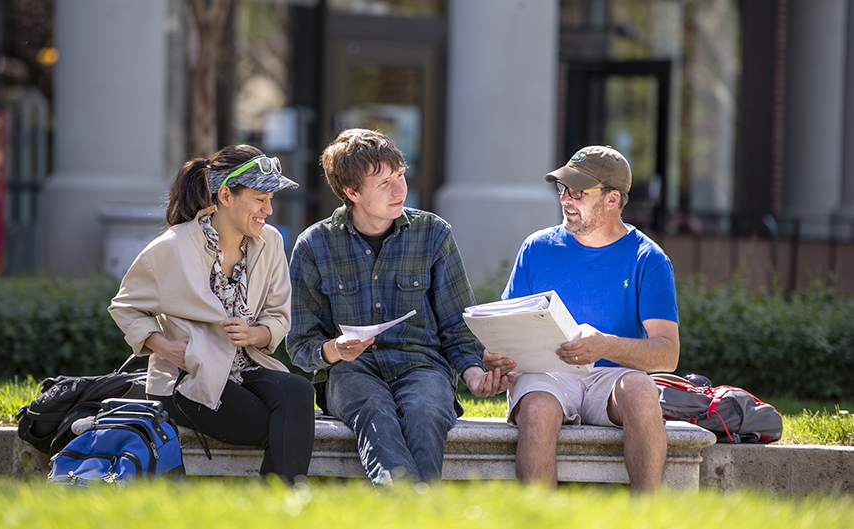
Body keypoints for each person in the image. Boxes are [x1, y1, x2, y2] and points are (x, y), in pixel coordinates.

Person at [286, 128, 511, 486]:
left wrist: (472, 374)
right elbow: (299, 344)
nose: (399, 189)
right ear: (351, 192)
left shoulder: (434, 234)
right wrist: (332, 350)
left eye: (400, 175)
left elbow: (458, 325)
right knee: (375, 415)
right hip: (350, 371)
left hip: (422, 366)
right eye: (384, 183)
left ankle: (406, 513)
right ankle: (418, 512)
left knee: (425, 413)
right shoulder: (314, 245)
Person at [108, 144, 315, 483]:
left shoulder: (271, 242)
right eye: (261, 199)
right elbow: (125, 306)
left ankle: (278, 506)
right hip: (188, 380)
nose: (269, 210)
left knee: (298, 390)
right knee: (282, 425)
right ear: (226, 195)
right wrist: (164, 347)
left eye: (271, 199)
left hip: (246, 366)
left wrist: (253, 334)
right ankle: (283, 506)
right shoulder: (171, 247)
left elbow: (277, 318)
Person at [484, 145, 679, 493]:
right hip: (547, 376)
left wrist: (606, 345)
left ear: (612, 199)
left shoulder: (648, 258)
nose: (565, 199)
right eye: (562, 189)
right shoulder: (536, 248)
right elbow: (506, 327)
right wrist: (496, 355)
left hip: (612, 376)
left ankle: (647, 515)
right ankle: (539, 521)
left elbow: (667, 354)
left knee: (641, 390)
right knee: (538, 411)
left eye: (578, 191)